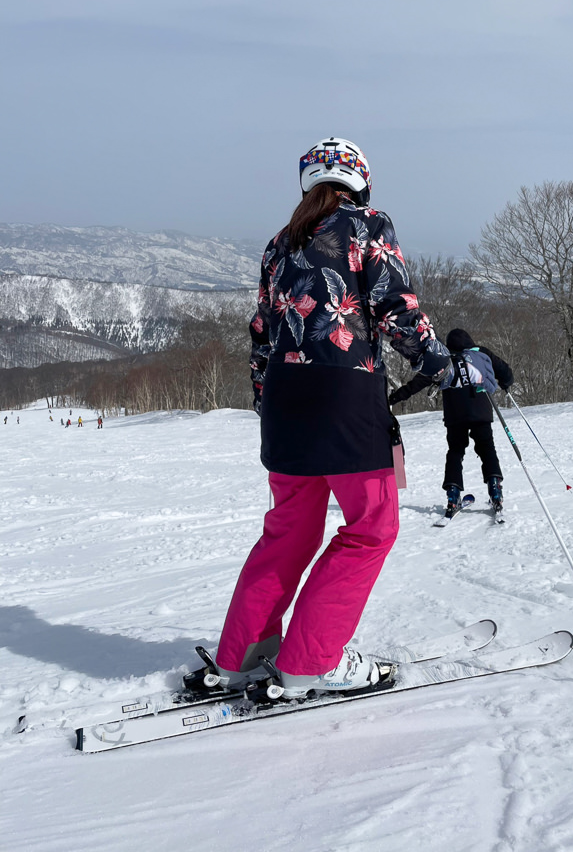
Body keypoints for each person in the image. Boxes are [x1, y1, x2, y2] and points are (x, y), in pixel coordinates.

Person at [186, 137, 459, 700]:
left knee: (289, 530)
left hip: (286, 404)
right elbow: (395, 307)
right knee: (371, 527)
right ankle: (309, 662)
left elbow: (262, 332)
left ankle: (242, 655)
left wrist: (269, 403)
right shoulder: (367, 225)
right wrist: (447, 366)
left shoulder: (278, 245)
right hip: (344, 395)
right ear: (362, 181)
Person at [389, 327, 513, 517]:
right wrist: (505, 383)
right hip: (481, 409)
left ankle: (453, 495)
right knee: (487, 448)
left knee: (455, 451)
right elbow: (504, 371)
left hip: (455, 414)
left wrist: (391, 399)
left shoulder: (442, 361)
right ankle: (495, 491)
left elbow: (416, 384)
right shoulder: (480, 352)